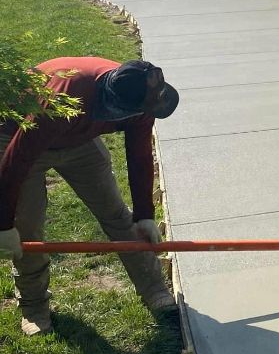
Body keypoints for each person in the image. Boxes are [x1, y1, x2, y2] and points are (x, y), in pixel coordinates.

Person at [0, 57, 180, 335]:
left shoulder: (144, 98)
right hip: (21, 134)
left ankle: (154, 290)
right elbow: (17, 159)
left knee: (117, 215)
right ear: (113, 101)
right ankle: (34, 307)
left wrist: (145, 214)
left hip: (79, 141)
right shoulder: (64, 97)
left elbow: (140, 154)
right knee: (27, 230)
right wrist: (3, 223)